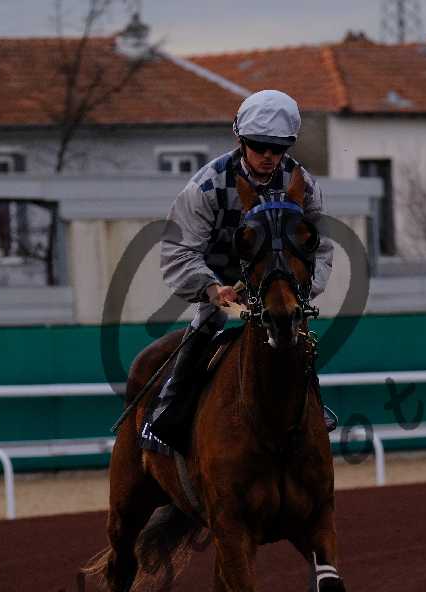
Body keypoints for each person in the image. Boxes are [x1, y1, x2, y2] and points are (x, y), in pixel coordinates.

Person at [139, 89, 336, 455]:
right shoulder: (206, 186)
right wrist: (211, 288)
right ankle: (169, 411)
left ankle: (313, 406)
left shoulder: (304, 186)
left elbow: (321, 246)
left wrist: (305, 290)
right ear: (241, 140)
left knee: (297, 334)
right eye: (259, 146)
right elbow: (178, 250)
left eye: (278, 148)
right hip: (221, 282)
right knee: (206, 325)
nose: (268, 156)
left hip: (276, 281)